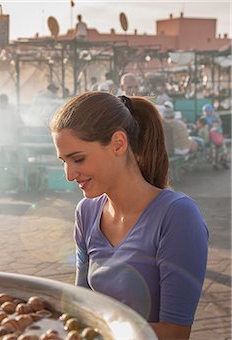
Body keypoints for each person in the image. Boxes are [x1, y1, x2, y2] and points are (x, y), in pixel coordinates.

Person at [50, 92, 208, 339]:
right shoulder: (87, 212)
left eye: (78, 159)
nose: (69, 175)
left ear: (118, 144)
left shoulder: (177, 216)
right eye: (64, 161)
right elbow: (82, 305)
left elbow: (174, 333)